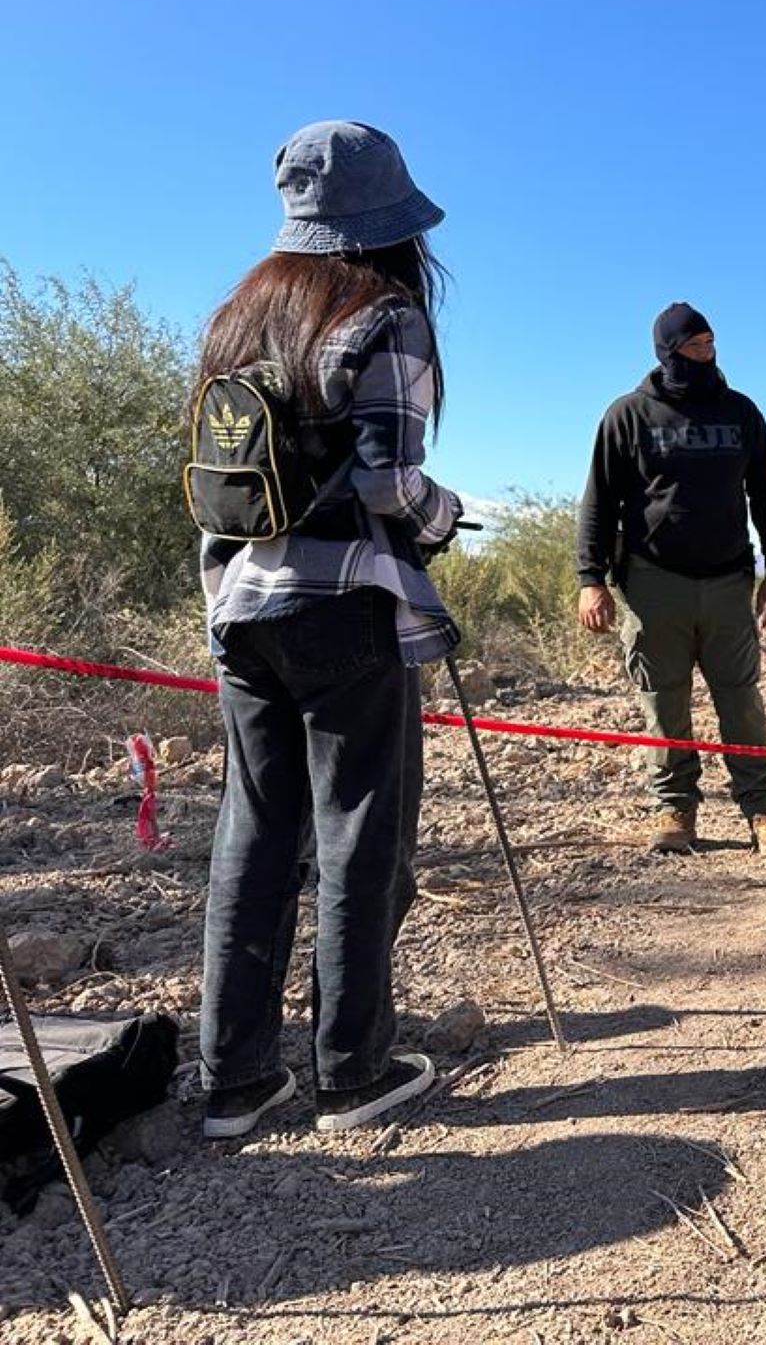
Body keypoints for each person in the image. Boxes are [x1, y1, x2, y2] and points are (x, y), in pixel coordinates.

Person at [196, 121, 462, 1139]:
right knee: (360, 835)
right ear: (387, 223)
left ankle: (237, 1082)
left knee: (253, 833)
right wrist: (443, 517)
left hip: (242, 608)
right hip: (347, 605)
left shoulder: (239, 315)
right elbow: (390, 481)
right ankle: (353, 1072)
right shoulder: (382, 313)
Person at [576, 303, 766, 858]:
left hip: (727, 580)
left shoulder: (740, 412)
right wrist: (590, 578)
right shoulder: (627, 415)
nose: (707, 354)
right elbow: (598, 503)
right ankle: (675, 807)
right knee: (664, 703)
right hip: (654, 582)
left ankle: (764, 811)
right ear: (668, 352)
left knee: (741, 700)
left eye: (710, 344)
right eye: (695, 346)